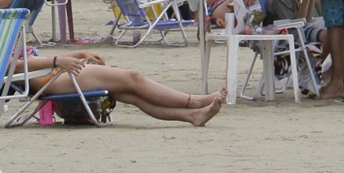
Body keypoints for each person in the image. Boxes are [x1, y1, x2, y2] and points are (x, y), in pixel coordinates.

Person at [24, 50, 226, 125]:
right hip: (50, 82)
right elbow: (9, 65)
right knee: (133, 77)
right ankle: (194, 101)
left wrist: (77, 54)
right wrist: (59, 60)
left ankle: (193, 116)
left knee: (133, 95)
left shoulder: (4, 35)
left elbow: (34, 58)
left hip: (55, 74)